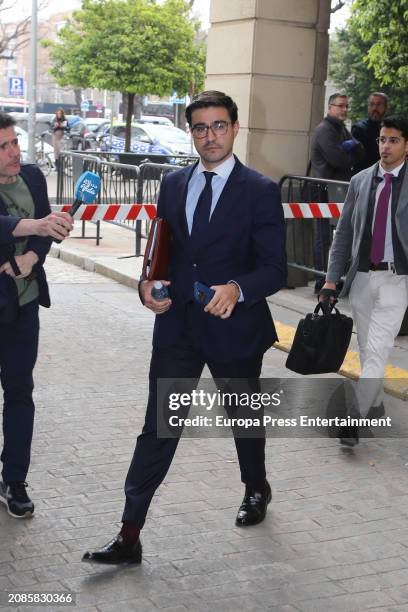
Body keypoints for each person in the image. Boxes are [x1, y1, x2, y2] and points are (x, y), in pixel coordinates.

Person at [82, 90, 287, 564]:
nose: (209, 136)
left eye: (218, 126)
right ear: (190, 131)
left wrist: (237, 287)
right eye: (200, 127)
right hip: (177, 329)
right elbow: (162, 252)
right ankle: (129, 534)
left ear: (235, 128)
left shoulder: (260, 190)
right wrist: (146, 285)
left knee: (243, 418)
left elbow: (276, 268)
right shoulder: (173, 184)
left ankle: (255, 488)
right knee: (159, 427)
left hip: (234, 329)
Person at [0, 113, 73, 518]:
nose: (14, 152)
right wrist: (35, 225)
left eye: (15, 142)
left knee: (19, 392)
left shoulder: (32, 177)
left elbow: (46, 234)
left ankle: (14, 479)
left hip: (23, 305)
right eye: (4, 147)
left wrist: (32, 254)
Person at [319, 115, 408, 446]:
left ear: (406, 145)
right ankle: (375, 401)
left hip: (397, 281)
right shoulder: (360, 181)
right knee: (369, 347)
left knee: (377, 349)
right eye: (382, 140)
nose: (385, 146)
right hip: (362, 279)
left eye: (393, 140)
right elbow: (343, 236)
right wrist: (330, 281)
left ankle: (353, 421)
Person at [310, 93, 365, 294]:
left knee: (338, 235)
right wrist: (348, 151)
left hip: (337, 188)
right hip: (322, 189)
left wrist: (349, 149)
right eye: (340, 106)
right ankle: (321, 280)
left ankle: (332, 278)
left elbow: (360, 153)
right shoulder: (325, 130)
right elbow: (339, 160)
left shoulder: (341, 129)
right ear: (330, 107)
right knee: (323, 236)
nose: (344, 110)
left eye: (346, 106)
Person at [352, 92, 389, 174]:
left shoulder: (392, 129)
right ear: (368, 107)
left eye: (379, 104)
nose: (375, 108)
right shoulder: (359, 129)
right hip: (363, 176)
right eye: (372, 104)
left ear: (386, 108)